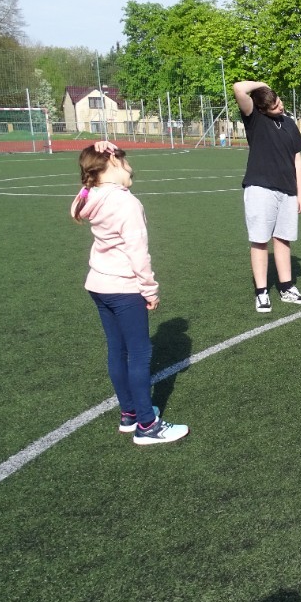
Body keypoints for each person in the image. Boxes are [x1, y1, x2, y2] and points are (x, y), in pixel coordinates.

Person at [71, 141, 189, 445]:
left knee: (117, 350)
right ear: (112, 163)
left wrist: (96, 164)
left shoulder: (91, 196)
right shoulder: (126, 203)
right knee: (139, 353)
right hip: (123, 288)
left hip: (99, 285)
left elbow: (77, 203)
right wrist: (150, 290)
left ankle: (130, 414)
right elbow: (138, 253)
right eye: (125, 161)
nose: (130, 167)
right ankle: (147, 426)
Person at [233, 80, 301, 313]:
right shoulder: (254, 118)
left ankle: (287, 288)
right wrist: (261, 85)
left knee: (283, 239)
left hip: (287, 190)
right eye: (274, 106)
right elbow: (238, 88)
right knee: (260, 240)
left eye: (279, 101)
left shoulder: (289, 123)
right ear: (261, 109)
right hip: (260, 188)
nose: (280, 106)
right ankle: (261, 293)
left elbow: (296, 158)